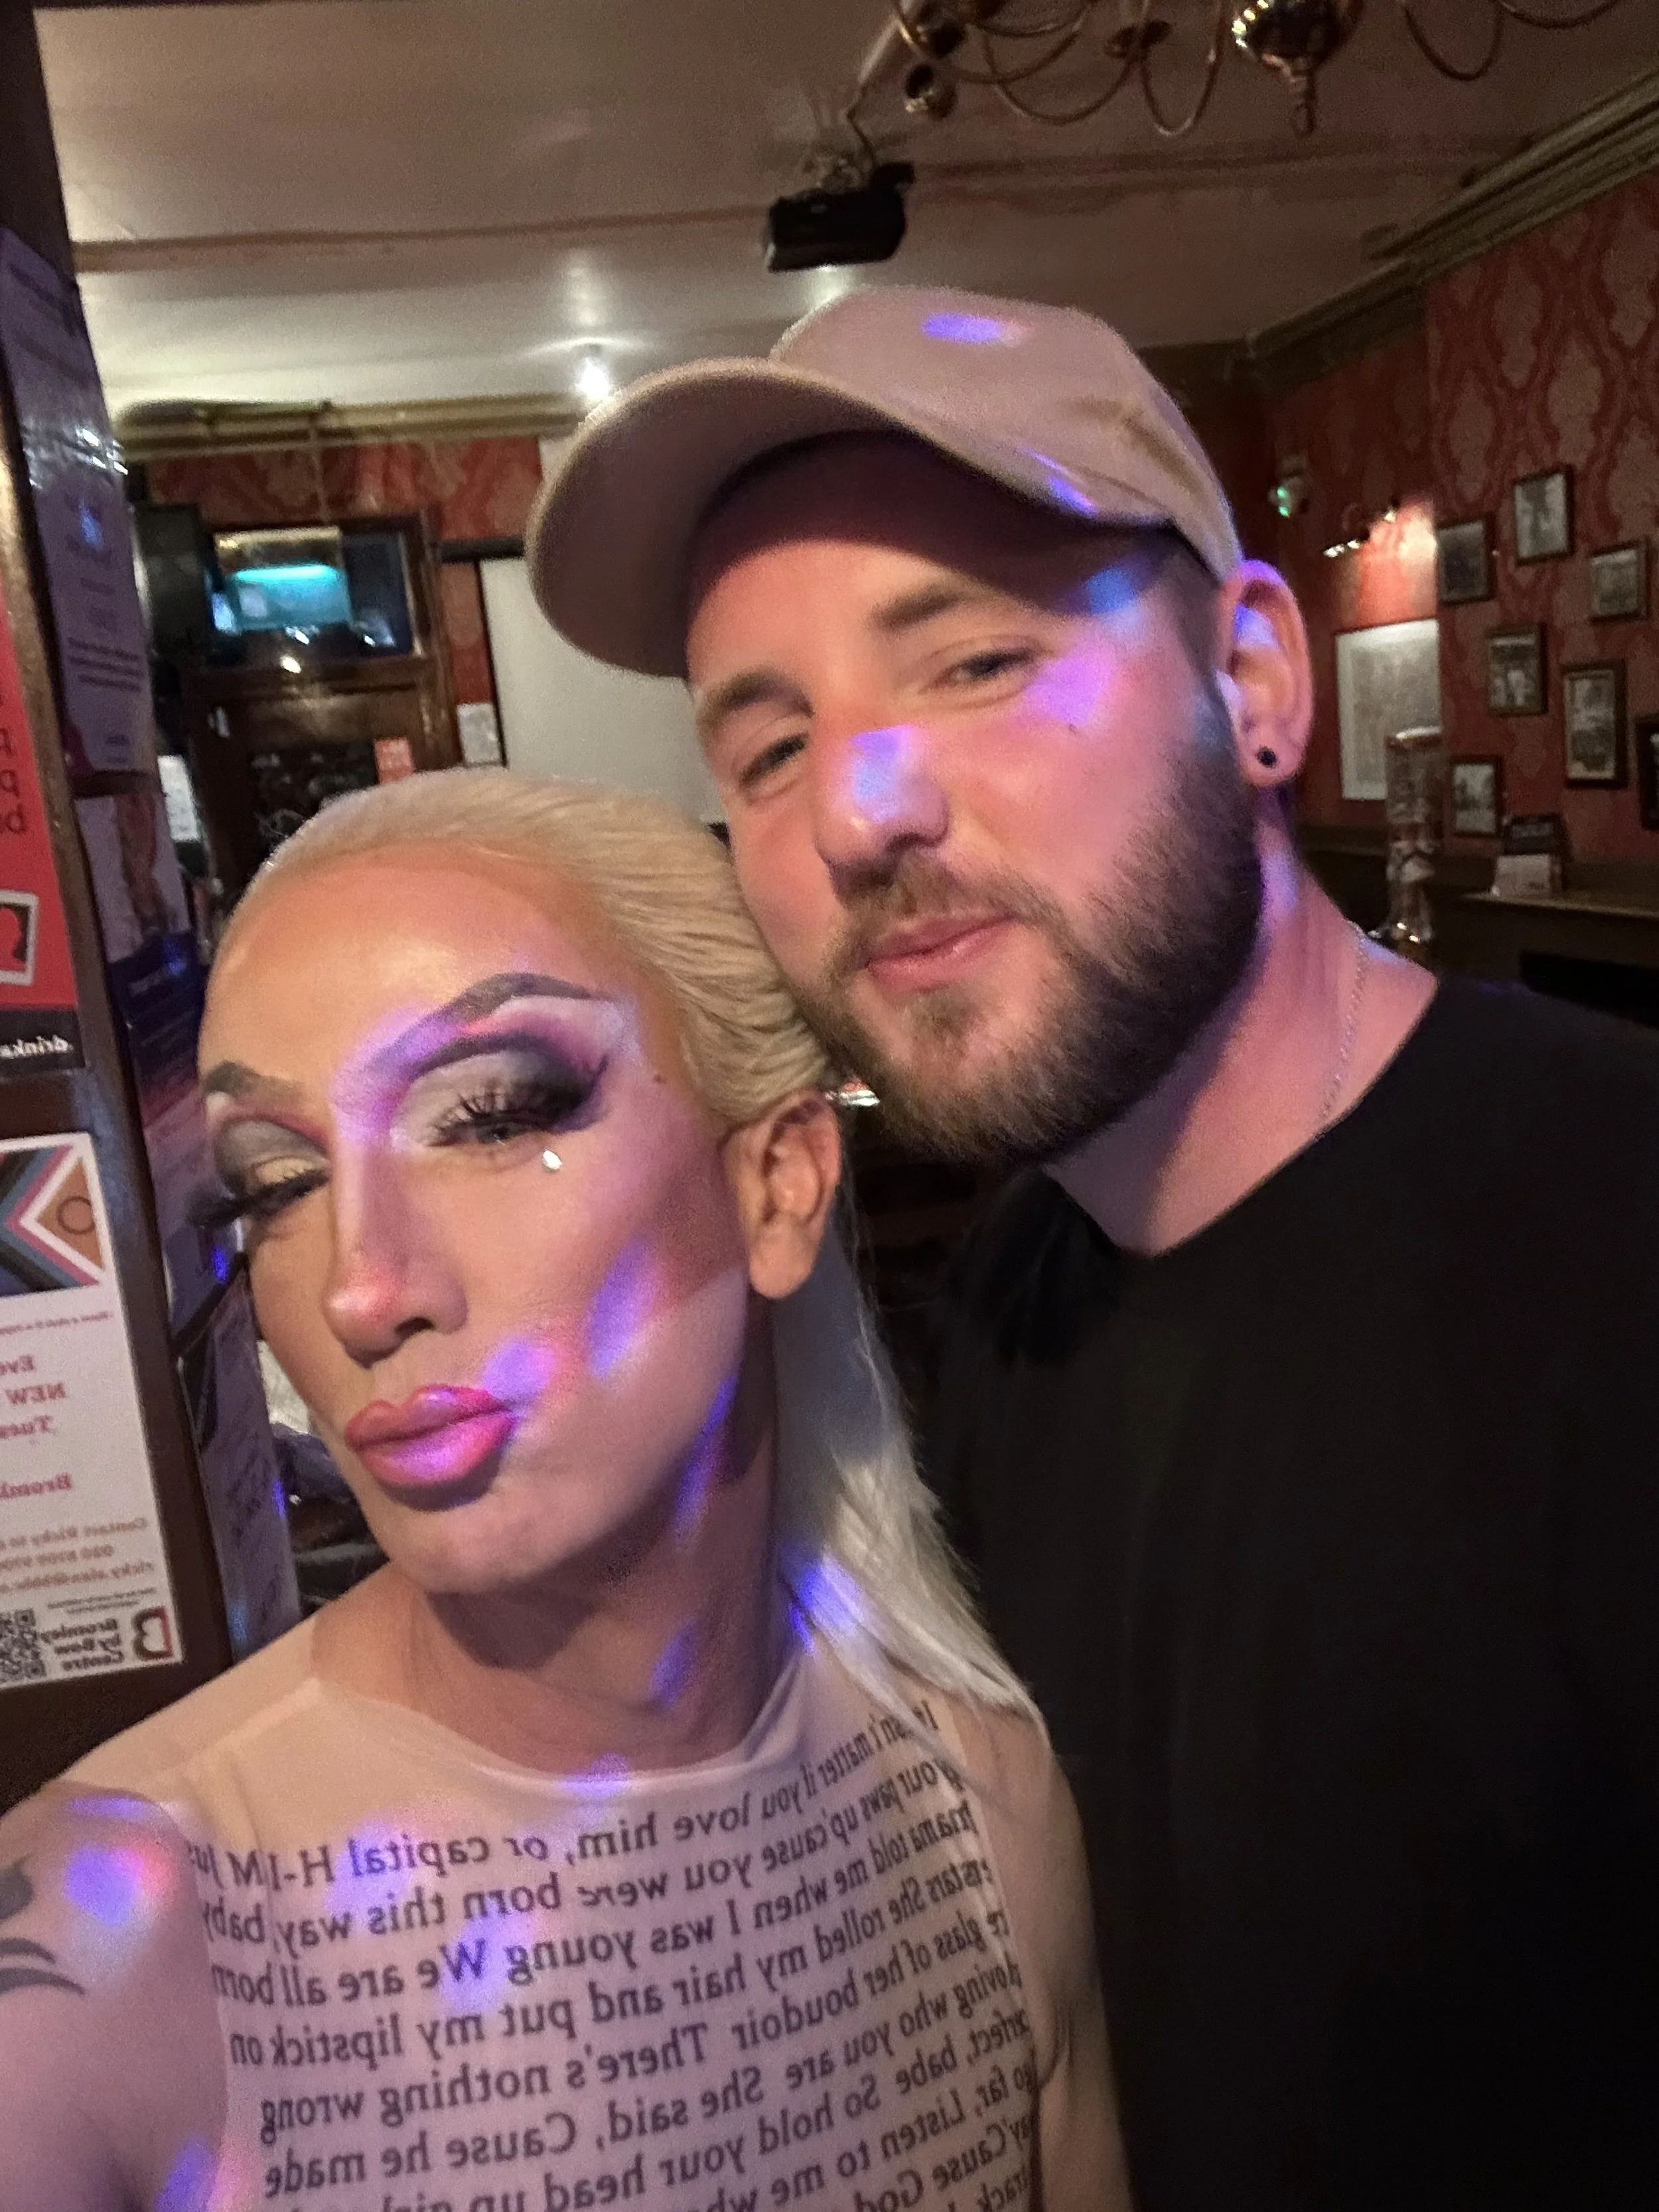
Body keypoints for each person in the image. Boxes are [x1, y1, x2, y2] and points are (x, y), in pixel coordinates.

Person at [525, 284, 1659, 2212]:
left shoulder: (1609, 1243)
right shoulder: (1009, 1291)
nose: (859, 810)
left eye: (972, 661)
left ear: (1255, 681)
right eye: (771, 749)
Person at [0, 771, 1120, 2212]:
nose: (358, 1290)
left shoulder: (982, 1803)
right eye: (275, 1184)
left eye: (488, 1114)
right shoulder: (100, 1965)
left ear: (778, 1180)